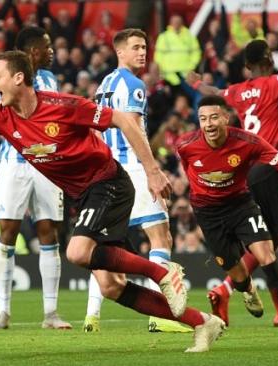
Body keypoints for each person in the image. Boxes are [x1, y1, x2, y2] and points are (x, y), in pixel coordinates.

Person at [0, 50, 226, 353]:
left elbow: (125, 121)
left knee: (76, 251)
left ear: (18, 78)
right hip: (84, 197)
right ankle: (202, 323)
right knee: (111, 287)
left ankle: (160, 273)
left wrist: (153, 172)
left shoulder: (63, 105)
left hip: (108, 182)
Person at [186, 30, 278, 328]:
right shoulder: (272, 84)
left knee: (269, 240)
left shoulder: (237, 91)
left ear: (246, 66)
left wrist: (196, 83)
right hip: (272, 165)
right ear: (268, 59)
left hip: (249, 171)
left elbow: (213, 92)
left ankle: (224, 290)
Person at [176, 95, 278, 334]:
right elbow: (188, 167)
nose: (209, 124)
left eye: (214, 117)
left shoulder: (247, 141)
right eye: (203, 119)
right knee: (239, 275)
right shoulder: (185, 144)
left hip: (240, 205)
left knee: (266, 254)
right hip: (208, 213)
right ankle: (248, 290)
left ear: (226, 117)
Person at [84, 28, 190, 334]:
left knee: (104, 244)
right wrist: (153, 169)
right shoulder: (134, 84)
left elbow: (96, 130)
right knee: (161, 237)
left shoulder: (104, 84)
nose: (142, 52)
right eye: (136, 47)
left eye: (144, 47)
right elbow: (133, 128)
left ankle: (92, 316)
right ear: (121, 52)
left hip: (108, 171)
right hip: (134, 168)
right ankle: (160, 316)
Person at [0, 26, 70, 330]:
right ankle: (2, 312)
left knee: (48, 231)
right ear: (33, 53)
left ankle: (51, 313)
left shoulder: (50, 79)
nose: (51, 51)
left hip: (47, 163)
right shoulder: (4, 78)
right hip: (13, 163)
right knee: (7, 231)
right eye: (46, 46)